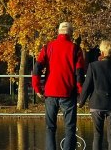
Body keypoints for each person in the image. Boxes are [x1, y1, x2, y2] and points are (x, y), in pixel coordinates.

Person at [33, 22, 87, 150]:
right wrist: (81, 92)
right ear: (71, 33)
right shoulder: (75, 49)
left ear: (58, 32)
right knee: (70, 128)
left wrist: (37, 87)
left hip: (50, 92)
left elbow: (37, 68)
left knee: (50, 128)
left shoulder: (48, 47)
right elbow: (79, 73)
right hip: (68, 93)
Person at [78, 40, 111, 150]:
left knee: (97, 134)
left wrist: (81, 101)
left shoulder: (93, 66)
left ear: (102, 52)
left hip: (97, 103)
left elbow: (87, 86)